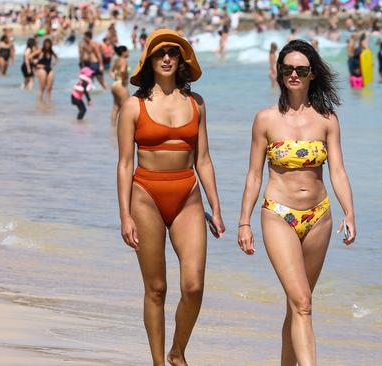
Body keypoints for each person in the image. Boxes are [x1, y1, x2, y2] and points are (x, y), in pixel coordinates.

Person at [238, 40, 356, 365]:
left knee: (298, 305)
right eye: (288, 69)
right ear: (279, 74)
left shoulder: (327, 119)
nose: (294, 74)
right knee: (303, 302)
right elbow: (253, 176)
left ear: (312, 74)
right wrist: (244, 221)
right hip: (278, 214)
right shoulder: (265, 119)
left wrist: (349, 213)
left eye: (301, 70)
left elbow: (339, 172)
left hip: (320, 217)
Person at [116, 29, 225, 366]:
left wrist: (216, 207)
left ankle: (177, 352)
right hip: (145, 195)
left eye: (173, 53)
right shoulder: (134, 105)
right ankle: (158, 363)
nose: (166, 58)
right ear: (149, 60)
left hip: (188, 195)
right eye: (160, 53)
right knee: (157, 288)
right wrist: (125, 215)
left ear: (181, 61)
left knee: (193, 286)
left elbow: (203, 159)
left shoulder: (197, 103)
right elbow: (124, 164)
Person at [31, 38, 58, 103]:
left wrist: (53, 64)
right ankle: (39, 103)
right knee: (42, 88)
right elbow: (30, 57)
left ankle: (47, 103)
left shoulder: (51, 51)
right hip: (42, 70)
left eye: (49, 44)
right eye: (46, 44)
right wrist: (36, 65)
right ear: (44, 44)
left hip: (49, 69)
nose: (47, 45)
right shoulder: (41, 50)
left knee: (49, 89)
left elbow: (57, 58)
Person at [109, 45, 130, 125]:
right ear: (123, 52)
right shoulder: (124, 61)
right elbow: (122, 71)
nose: (128, 52)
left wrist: (115, 78)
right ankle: (125, 128)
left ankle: (113, 127)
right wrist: (124, 80)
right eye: (127, 51)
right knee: (126, 108)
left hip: (115, 85)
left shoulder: (116, 60)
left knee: (116, 107)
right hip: (121, 85)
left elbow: (111, 71)